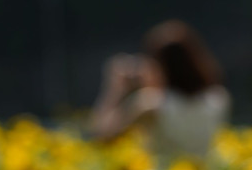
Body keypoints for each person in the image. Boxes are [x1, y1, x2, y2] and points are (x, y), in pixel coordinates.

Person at [92, 20, 230, 162]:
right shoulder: (218, 98)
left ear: (160, 67)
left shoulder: (150, 105)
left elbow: (103, 136)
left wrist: (116, 89)